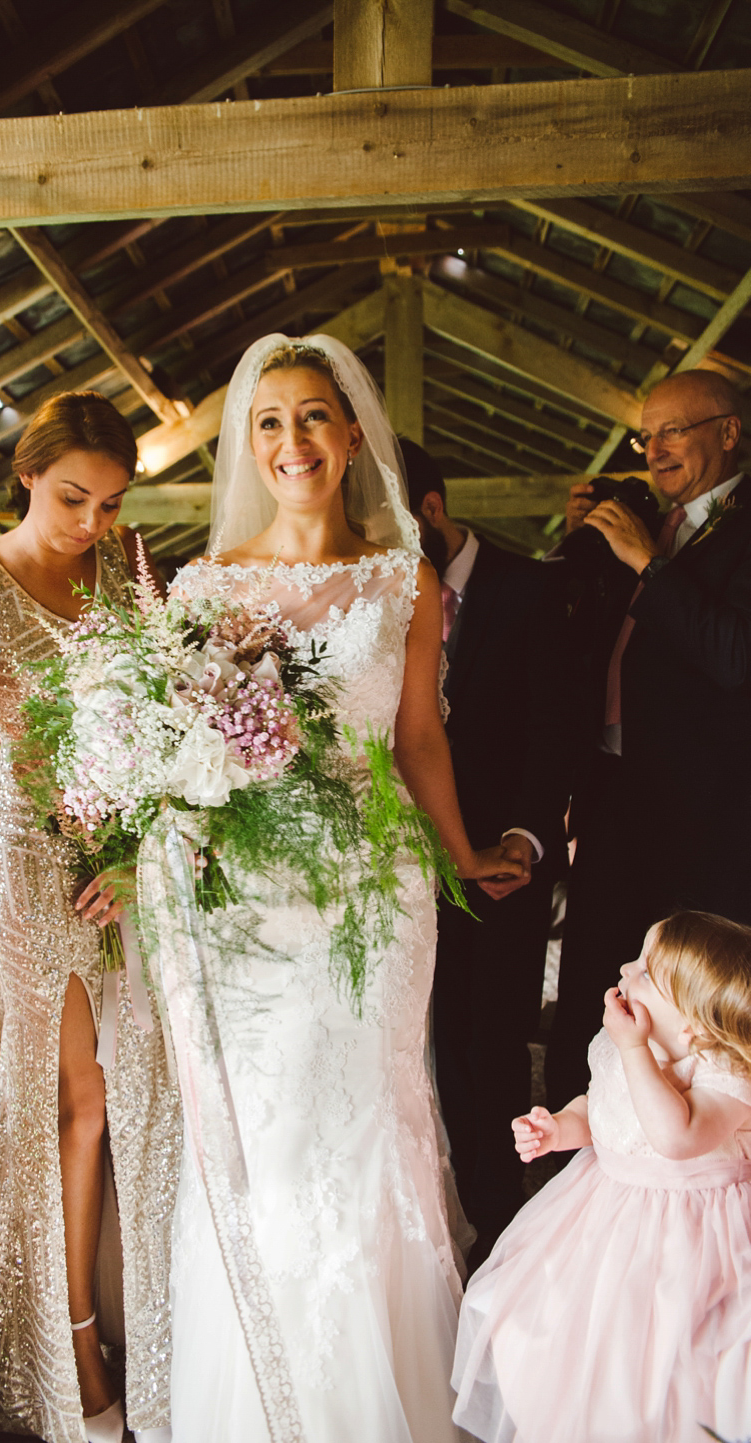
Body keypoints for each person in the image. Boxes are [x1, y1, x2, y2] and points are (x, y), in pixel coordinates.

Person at [164, 335, 524, 1443]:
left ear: (353, 432)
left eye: (313, 417)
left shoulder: (398, 574)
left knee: (373, 1122)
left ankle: (391, 1398)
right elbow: (181, 755)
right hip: (254, 906)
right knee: (271, 1135)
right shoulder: (206, 585)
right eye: (270, 423)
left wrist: (460, 855)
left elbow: (418, 735)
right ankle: (270, 1399)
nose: (293, 443)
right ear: (245, 444)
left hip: (375, 884)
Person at [0, 392, 181, 1443]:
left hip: (127, 852)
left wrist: (144, 851)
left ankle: (144, 1312)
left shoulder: (128, 567)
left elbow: (169, 721)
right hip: (27, 847)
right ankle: (71, 1340)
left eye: (108, 503)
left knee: (140, 1086)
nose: (91, 524)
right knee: (76, 1097)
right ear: (27, 473)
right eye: (72, 498)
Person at [452, 910, 751, 1442]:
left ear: (692, 1022)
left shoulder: (728, 1074)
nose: (624, 968)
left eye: (645, 971)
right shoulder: (622, 1046)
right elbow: (601, 1109)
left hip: (689, 1242)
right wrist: (559, 1129)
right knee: (565, 1342)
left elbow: (675, 1137)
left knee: (659, 1369)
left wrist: (636, 1049)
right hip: (600, 1217)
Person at [545, 369, 750, 1108]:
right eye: (646, 434)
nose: (654, 449)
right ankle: (578, 1146)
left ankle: (691, 1155)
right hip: (612, 788)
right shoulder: (641, 523)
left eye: (673, 430)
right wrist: (587, 546)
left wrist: (648, 565)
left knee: (688, 997)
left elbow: (735, 655)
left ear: (728, 431)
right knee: (594, 978)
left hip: (706, 806)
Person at [400, 439, 571, 1264]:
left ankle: (503, 1232)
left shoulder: (533, 589)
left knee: (492, 1046)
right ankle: (443, 1220)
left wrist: (527, 837)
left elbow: (556, 727)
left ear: (431, 509)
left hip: (505, 863)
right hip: (405, 864)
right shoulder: (386, 590)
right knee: (422, 1050)